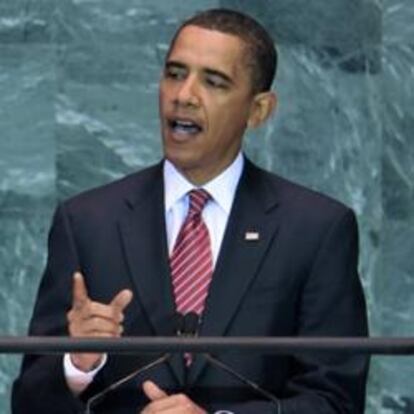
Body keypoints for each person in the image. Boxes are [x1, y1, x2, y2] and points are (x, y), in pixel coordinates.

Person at [12, 8, 369, 414]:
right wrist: (79, 364)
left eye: (213, 82)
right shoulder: (88, 222)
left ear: (258, 110)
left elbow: (335, 400)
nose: (184, 95)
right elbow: (29, 401)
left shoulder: (316, 229)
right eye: (175, 74)